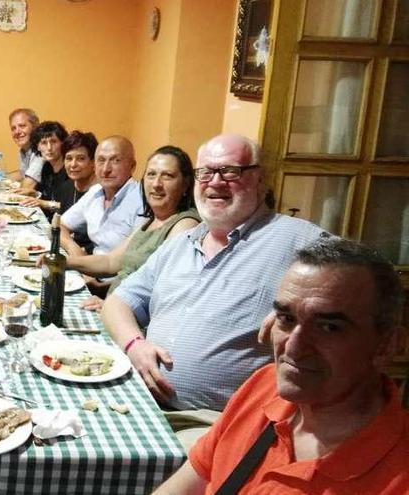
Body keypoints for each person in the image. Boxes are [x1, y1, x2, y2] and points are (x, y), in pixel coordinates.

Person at [101, 134, 327, 440]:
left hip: (216, 423)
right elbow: (117, 303)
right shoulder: (183, 242)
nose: (215, 182)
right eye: (206, 172)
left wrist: (309, 316)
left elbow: (369, 284)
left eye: (230, 171)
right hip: (142, 400)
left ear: (260, 180)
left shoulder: (298, 241)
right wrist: (135, 345)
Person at [154, 237, 408, 494]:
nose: (293, 347)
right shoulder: (263, 386)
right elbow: (190, 481)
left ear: (387, 345)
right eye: (286, 319)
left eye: (328, 327)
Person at [70, 146, 200, 311]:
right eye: (151, 174)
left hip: (130, 321)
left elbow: (162, 293)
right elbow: (110, 262)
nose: (157, 184)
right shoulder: (152, 221)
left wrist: (112, 306)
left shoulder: (184, 226)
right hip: (114, 309)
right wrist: (60, 262)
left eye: (167, 176)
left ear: (186, 184)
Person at [60, 135, 145, 257]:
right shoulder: (96, 192)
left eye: (115, 160)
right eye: (101, 160)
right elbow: (59, 224)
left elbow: (134, 258)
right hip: (90, 268)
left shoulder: (141, 200)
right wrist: (75, 250)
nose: (106, 169)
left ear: (132, 166)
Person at [19, 121, 70, 218]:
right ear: (38, 147)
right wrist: (33, 193)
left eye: (53, 141)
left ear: (62, 143)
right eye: (44, 143)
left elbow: (69, 207)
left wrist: (42, 203)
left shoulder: (70, 170)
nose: (49, 148)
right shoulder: (46, 168)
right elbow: (48, 197)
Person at [8, 108, 44, 193]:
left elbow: (27, 187)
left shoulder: (41, 149)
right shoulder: (24, 150)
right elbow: (22, 173)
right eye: (13, 128)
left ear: (35, 127)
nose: (17, 132)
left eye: (22, 126)